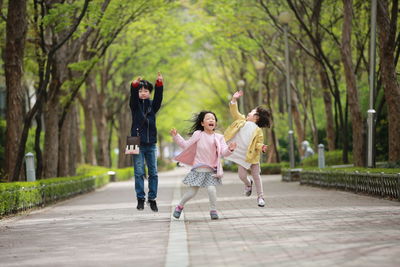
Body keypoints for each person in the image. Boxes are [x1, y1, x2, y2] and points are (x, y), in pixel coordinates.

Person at [170, 111, 236, 220]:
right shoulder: (198, 134)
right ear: (202, 123)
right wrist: (176, 136)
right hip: (198, 169)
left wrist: (230, 149)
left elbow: (223, 152)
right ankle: (179, 206)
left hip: (211, 170)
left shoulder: (219, 137)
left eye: (213, 119)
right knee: (192, 192)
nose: (211, 120)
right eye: (208, 119)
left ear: (215, 123)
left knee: (211, 190)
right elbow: (185, 145)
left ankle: (213, 210)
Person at [224, 91, 271, 207]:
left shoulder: (258, 131)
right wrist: (234, 100)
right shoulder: (241, 121)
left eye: (251, 112)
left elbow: (258, 143)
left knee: (256, 176)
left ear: (256, 117)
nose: (248, 113)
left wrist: (262, 147)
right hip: (242, 155)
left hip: (253, 156)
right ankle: (248, 183)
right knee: (241, 176)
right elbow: (235, 112)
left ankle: (260, 197)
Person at [129, 72, 163, 212]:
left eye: (146, 91)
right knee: (138, 172)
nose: (143, 93)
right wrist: (134, 85)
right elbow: (133, 96)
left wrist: (159, 84)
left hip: (151, 143)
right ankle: (140, 199)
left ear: (149, 93)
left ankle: (152, 198)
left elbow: (159, 99)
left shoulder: (152, 106)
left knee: (153, 173)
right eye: (140, 91)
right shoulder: (134, 106)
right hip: (134, 141)